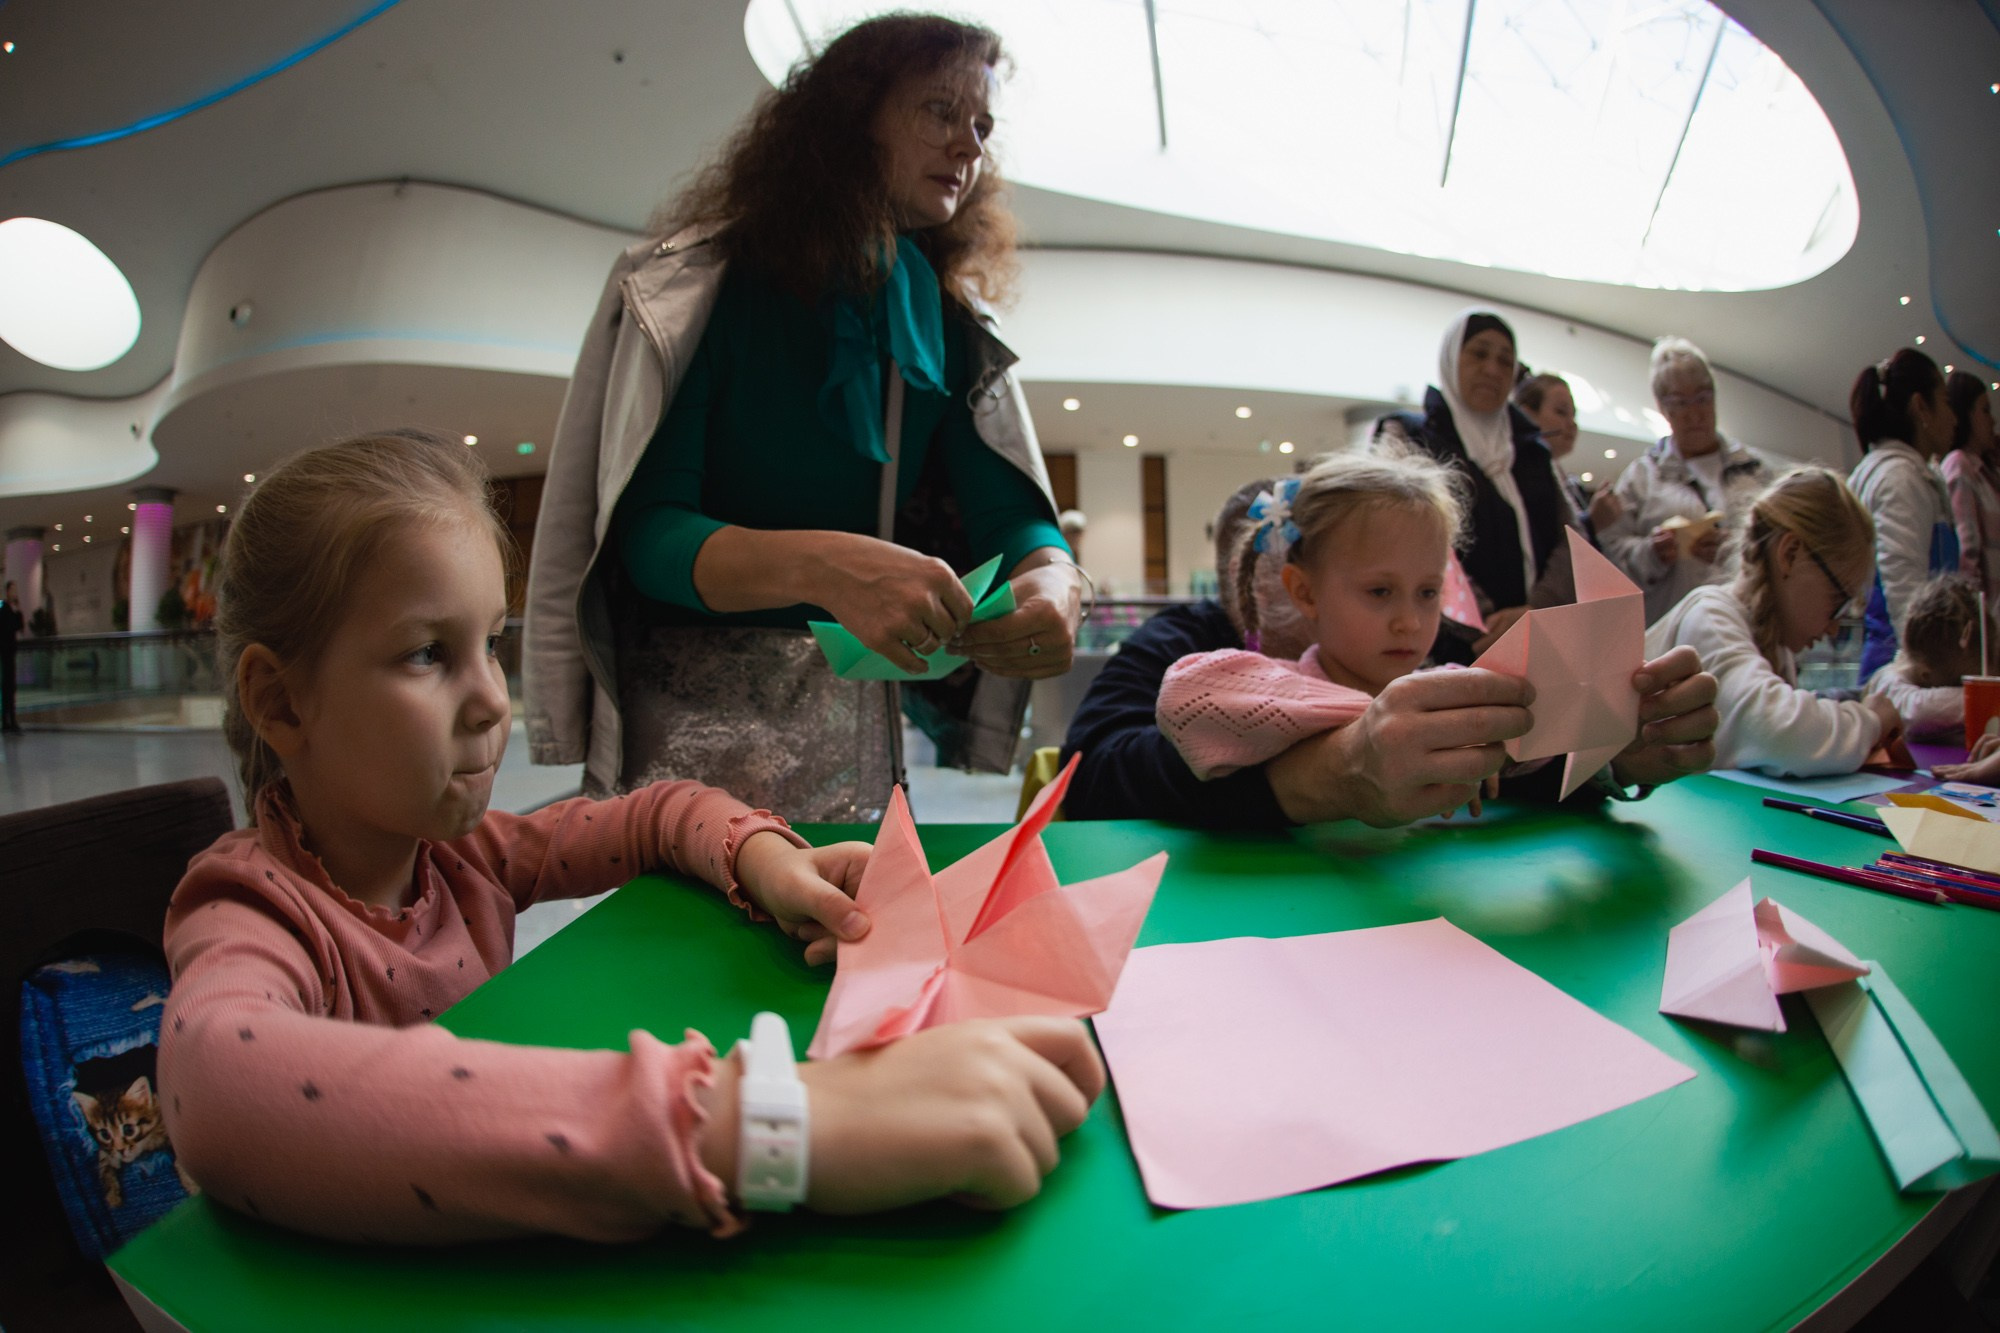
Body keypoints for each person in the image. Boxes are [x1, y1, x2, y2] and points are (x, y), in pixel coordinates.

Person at [161, 430, 1104, 1245]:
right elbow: (223, 1090)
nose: (493, 698)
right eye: (425, 654)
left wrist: (768, 861)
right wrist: (770, 1119)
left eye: (491, 642)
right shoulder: (250, 904)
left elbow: (657, 814)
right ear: (282, 700)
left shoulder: (464, 855)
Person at [524, 15, 1084, 821]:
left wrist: (1059, 580)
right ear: (851, 117)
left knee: (857, 941)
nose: (969, 145)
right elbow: (646, 538)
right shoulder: (705, 288)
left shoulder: (950, 322)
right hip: (693, 735)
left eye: (982, 126)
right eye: (938, 111)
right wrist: (825, 568)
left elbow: (1015, 517)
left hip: (862, 734)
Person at [1060, 474, 1719, 829]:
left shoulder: (1426, 659)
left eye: (1427, 590)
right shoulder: (1198, 652)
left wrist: (1605, 744)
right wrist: (1331, 763)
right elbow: (1093, 772)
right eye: (1376, 587)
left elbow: (1514, 754)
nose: (1406, 618)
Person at [1646, 468, 1899, 777]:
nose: (1834, 628)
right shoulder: (1710, 615)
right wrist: (1872, 720)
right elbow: (1780, 734)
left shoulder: (1775, 647)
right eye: (1837, 601)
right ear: (1790, 554)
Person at [1375, 310, 1567, 656]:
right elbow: (1406, 536)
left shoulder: (1532, 450)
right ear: (1451, 358)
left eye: (1505, 361)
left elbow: (1571, 539)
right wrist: (1482, 622)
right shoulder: (1410, 437)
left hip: (1540, 637)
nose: (1492, 369)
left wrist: (1536, 611)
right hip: (1448, 644)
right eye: (1479, 354)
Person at [1599, 337, 1770, 625]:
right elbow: (1610, 556)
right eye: (1680, 403)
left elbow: (1779, 544)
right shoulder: (1642, 477)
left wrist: (1736, 549)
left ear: (1714, 396)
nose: (1694, 413)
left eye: (1702, 398)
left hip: (1748, 625)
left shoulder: (1753, 470)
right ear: (1663, 408)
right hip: (1673, 631)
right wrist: (1651, 554)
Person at [1848, 348, 1959, 680]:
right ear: (1920, 407)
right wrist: (1925, 675)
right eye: (1945, 401)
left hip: (1903, 669)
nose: (1954, 418)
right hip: (1900, 674)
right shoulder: (1901, 479)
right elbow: (1904, 593)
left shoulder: (1903, 473)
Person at [1864, 575, 1987, 741]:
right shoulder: (1894, 691)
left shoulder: (1911, 670)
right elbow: (1920, 710)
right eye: (1958, 685)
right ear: (1926, 676)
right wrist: (1988, 695)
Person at [1513, 370, 1622, 540]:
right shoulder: (1517, 475)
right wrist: (1592, 522)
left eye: (1574, 415)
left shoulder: (1567, 483)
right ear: (1527, 415)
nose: (1572, 424)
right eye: (1561, 412)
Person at [1939, 370, 2000, 601]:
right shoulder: (1959, 466)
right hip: (1986, 622)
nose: (1992, 420)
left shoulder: (1986, 473)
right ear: (1966, 414)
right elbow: (1967, 555)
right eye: (1984, 411)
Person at [0, 579, 21, 734]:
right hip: (5, 653)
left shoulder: (13, 609)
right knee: (7, 687)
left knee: (10, 687)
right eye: (12, 589)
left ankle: (11, 719)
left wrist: (18, 610)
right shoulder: (3, 609)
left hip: (10, 652)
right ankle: (7, 720)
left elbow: (19, 626)